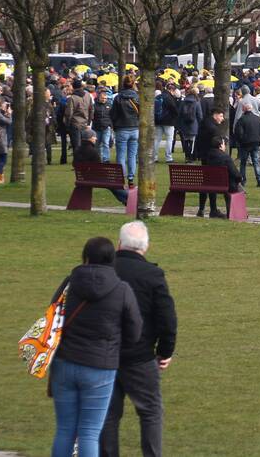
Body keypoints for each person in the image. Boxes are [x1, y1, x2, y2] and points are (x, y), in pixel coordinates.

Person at [50, 237, 142, 457]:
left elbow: (52, 315)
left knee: (65, 430)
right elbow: (135, 330)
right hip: (100, 365)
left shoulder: (69, 283)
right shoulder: (121, 289)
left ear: (86, 257)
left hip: (64, 362)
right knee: (90, 432)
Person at [100, 222, 177, 457]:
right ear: (146, 247)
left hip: (104, 354)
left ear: (119, 243)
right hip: (140, 356)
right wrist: (165, 352)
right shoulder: (152, 275)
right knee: (151, 411)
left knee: (108, 415)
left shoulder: (103, 270)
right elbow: (167, 318)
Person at [74, 129, 129, 205]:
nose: (96, 138)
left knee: (113, 186)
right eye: (94, 137)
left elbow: (74, 164)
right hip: (96, 178)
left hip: (83, 178)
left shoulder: (77, 150)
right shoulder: (93, 151)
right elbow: (99, 168)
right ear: (90, 138)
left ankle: (126, 200)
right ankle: (129, 198)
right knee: (114, 184)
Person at [198, 137, 244, 219]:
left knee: (215, 185)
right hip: (226, 185)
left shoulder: (207, 156)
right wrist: (240, 179)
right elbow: (235, 173)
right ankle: (234, 212)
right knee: (239, 189)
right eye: (223, 144)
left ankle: (213, 211)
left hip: (210, 184)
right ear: (220, 146)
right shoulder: (225, 157)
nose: (225, 145)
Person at [111, 76, 140, 188]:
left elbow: (113, 114)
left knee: (121, 155)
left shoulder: (118, 98)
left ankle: (121, 177)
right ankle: (131, 178)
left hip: (122, 128)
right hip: (134, 128)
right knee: (132, 156)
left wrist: (114, 124)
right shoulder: (137, 97)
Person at [233, 102, 260, 188]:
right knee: (256, 162)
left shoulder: (242, 119)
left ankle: (243, 179)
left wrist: (240, 141)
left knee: (243, 163)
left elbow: (238, 132)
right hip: (256, 142)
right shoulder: (258, 119)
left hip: (245, 144)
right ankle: (259, 178)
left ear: (244, 109)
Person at [65, 79, 95, 155]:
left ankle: (77, 163)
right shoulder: (88, 95)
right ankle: (84, 162)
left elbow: (69, 113)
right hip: (85, 123)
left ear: (73, 87)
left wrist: (67, 124)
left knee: (76, 145)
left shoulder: (72, 98)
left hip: (75, 124)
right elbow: (91, 110)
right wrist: (89, 122)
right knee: (85, 145)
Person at [153, 82, 178, 164]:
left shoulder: (159, 96)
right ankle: (168, 157)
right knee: (169, 139)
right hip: (169, 121)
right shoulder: (170, 98)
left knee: (157, 139)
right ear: (171, 90)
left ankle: (154, 157)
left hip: (158, 120)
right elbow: (174, 109)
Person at [176, 87, 203, 162]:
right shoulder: (197, 102)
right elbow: (200, 115)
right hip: (193, 124)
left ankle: (186, 156)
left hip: (184, 124)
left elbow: (179, 114)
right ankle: (190, 157)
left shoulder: (183, 102)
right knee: (192, 142)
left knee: (185, 140)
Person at [93, 90, 114, 163]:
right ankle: (97, 158)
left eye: (105, 98)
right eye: (103, 98)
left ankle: (106, 159)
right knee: (97, 144)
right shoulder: (95, 105)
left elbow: (112, 116)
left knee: (105, 143)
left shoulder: (109, 105)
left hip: (106, 127)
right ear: (99, 98)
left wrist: (110, 125)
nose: (104, 99)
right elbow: (92, 116)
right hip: (97, 127)